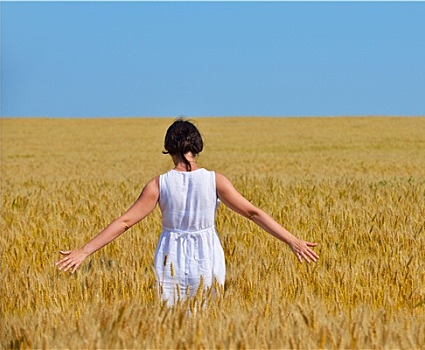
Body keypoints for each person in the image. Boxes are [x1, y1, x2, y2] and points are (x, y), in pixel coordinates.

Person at [56, 118, 319, 306]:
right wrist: (292, 241)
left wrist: (84, 251)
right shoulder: (215, 180)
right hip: (208, 255)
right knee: (208, 320)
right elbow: (253, 213)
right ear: (198, 146)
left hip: (171, 255)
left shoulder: (159, 184)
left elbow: (125, 222)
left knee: (171, 322)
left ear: (169, 148)